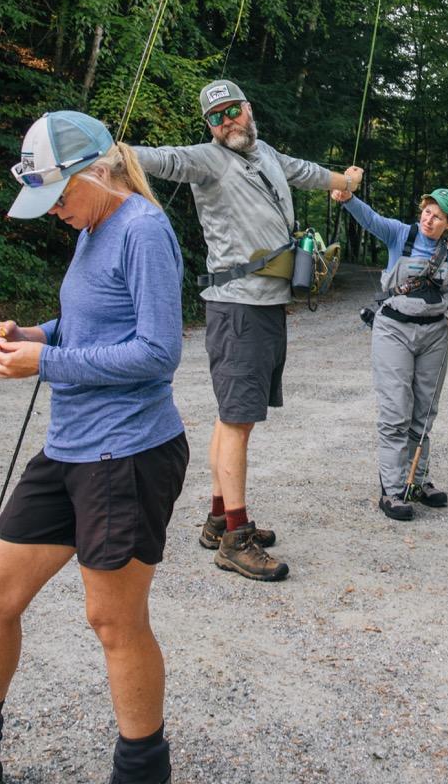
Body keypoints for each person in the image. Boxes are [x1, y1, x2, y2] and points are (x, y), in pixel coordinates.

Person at [0, 111, 187, 784]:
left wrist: (45, 364)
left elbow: (158, 352)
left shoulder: (143, 230)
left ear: (98, 172)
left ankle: (142, 774)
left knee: (113, 620)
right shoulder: (92, 227)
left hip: (127, 455)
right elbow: (89, 320)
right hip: (69, 449)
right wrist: (31, 332)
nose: (56, 210)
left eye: (60, 195)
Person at [134, 79, 362, 581]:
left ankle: (220, 519)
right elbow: (166, 159)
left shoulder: (269, 155)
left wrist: (341, 180)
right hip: (237, 307)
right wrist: (115, 153)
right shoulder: (209, 159)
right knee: (237, 420)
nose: (227, 122)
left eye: (233, 110)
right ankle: (235, 539)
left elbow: (307, 172)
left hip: (264, 305)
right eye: (217, 117)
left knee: (234, 417)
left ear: (248, 109)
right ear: (209, 127)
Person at [331, 185, 448, 521]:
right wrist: (348, 197)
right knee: (396, 409)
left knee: (424, 411)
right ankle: (393, 491)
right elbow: (370, 219)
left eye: (437, 216)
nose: (429, 219)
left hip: (436, 334)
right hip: (393, 330)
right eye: (427, 211)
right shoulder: (400, 234)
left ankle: (417, 481)